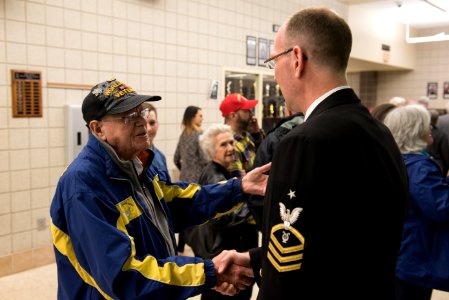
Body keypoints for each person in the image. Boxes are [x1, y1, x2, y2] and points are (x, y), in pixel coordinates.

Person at [219, 7, 409, 299]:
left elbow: (286, 275)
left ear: (296, 59)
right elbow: (335, 238)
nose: (277, 76)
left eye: (274, 61)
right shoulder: (377, 131)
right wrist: (256, 259)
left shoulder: (304, 142)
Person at [49, 79, 271, 299]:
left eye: (141, 113)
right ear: (98, 129)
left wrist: (239, 187)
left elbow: (182, 202)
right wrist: (208, 272)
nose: (141, 123)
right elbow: (124, 276)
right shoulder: (83, 186)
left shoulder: (137, 165)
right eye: (128, 117)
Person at [184, 124, 257, 300]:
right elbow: (221, 216)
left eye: (232, 143)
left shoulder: (225, 172)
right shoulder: (214, 175)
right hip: (220, 252)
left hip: (223, 249)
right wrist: (253, 206)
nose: (231, 148)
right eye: (223, 145)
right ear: (211, 151)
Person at [383, 104, 449, 300]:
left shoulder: (393, 160)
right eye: (426, 124)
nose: (431, 128)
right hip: (414, 257)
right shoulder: (419, 168)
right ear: (414, 130)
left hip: (399, 253)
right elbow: (442, 209)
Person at [248, 109, 304, 229]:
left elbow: (257, 197)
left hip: (279, 227)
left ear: (288, 111)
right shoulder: (332, 129)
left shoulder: (275, 138)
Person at [174, 105, 209, 252]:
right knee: (196, 216)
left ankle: (180, 245)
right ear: (192, 117)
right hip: (197, 181)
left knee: (183, 213)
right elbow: (204, 159)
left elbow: (176, 158)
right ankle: (197, 247)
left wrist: (185, 171)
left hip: (183, 180)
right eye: (200, 115)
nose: (202, 118)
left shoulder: (184, 135)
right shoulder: (199, 135)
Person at [219, 93, 263, 178]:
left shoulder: (246, 136)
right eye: (247, 111)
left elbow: (262, 158)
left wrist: (257, 135)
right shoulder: (230, 144)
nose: (252, 115)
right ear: (233, 115)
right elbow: (239, 184)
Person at [137, 102, 170, 181]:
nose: (148, 129)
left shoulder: (160, 157)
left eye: (152, 123)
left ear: (157, 124)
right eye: (143, 123)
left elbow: (168, 188)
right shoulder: (131, 158)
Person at [426, 109, 449, 175]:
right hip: (438, 166)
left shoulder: (421, 132)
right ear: (437, 120)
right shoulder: (440, 134)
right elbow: (445, 153)